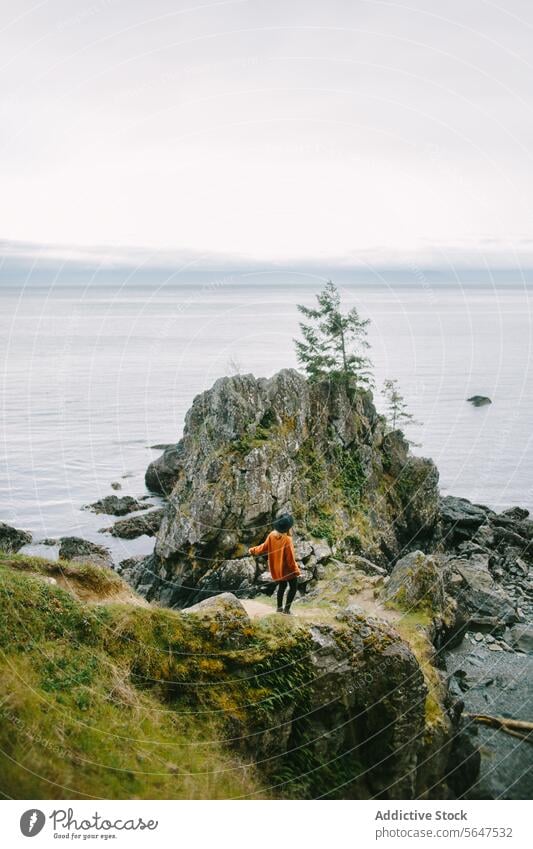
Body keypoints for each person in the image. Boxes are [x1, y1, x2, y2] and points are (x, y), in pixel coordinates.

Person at [249, 514, 301, 614]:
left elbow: (263, 547)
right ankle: (287, 610)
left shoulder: (272, 535)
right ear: (288, 527)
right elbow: (290, 560)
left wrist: (252, 550)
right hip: (287, 570)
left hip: (277, 569)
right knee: (293, 587)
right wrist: (296, 570)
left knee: (282, 586)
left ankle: (279, 608)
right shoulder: (287, 540)